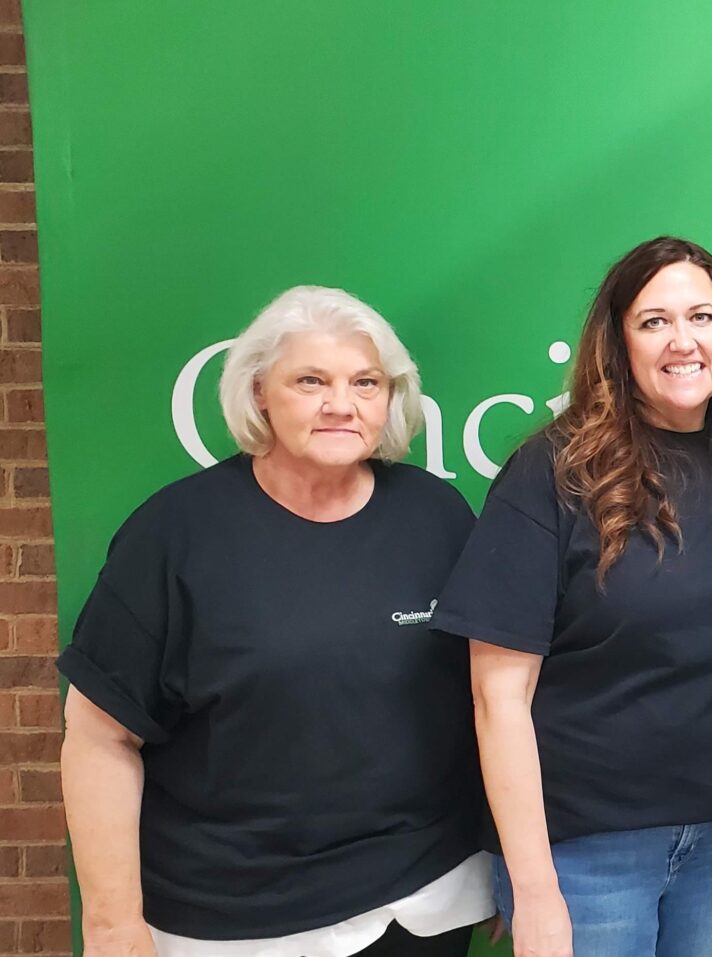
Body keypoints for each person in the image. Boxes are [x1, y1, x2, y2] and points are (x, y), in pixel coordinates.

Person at [58, 286, 491, 957]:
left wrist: (502, 856)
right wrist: (112, 923)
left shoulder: (436, 516)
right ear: (260, 392)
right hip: (236, 919)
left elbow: (486, 701)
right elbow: (97, 738)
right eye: (311, 381)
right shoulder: (174, 535)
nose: (341, 404)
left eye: (365, 382)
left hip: (423, 899)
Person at [431, 236, 712, 957]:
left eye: (702, 316)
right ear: (617, 344)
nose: (683, 340)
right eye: (654, 321)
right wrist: (533, 887)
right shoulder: (554, 471)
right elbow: (496, 697)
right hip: (584, 853)